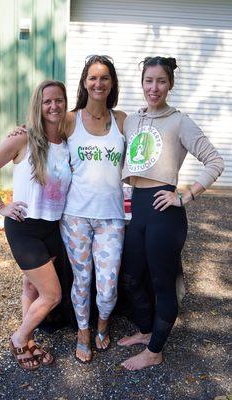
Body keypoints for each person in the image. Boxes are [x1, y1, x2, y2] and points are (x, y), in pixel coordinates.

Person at [117, 56, 224, 370]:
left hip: (163, 211)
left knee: (162, 282)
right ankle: (147, 331)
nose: (154, 88)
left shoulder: (180, 121)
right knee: (131, 278)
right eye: (148, 81)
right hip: (134, 207)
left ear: (170, 84)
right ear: (142, 83)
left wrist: (186, 194)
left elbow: (215, 162)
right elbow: (93, 122)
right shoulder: (132, 120)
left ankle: (155, 350)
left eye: (160, 81)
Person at [0, 80, 72, 370]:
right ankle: (19, 338)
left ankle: (29, 339)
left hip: (52, 227)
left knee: (31, 289)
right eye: (47, 102)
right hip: (25, 227)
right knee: (52, 295)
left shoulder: (67, 142)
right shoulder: (23, 139)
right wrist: (0, 206)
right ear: (38, 106)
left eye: (58, 100)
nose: (53, 106)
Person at [59, 55, 127, 363]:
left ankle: (103, 323)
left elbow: (153, 139)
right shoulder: (70, 120)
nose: (98, 83)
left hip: (111, 217)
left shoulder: (123, 120)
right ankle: (83, 331)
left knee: (108, 284)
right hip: (75, 216)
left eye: (104, 78)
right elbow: (41, 138)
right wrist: (19, 133)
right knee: (82, 279)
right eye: (92, 77)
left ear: (112, 84)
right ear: (84, 83)